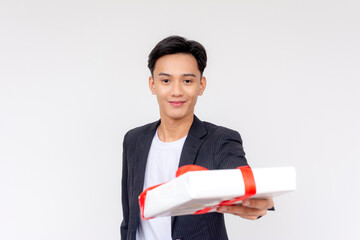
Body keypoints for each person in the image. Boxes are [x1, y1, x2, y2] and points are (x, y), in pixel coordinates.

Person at [121, 35, 274, 240]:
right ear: (153, 85)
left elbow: (242, 178)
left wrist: (261, 200)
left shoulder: (220, 140)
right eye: (166, 80)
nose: (176, 91)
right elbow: (130, 217)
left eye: (187, 81)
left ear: (201, 85)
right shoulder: (134, 140)